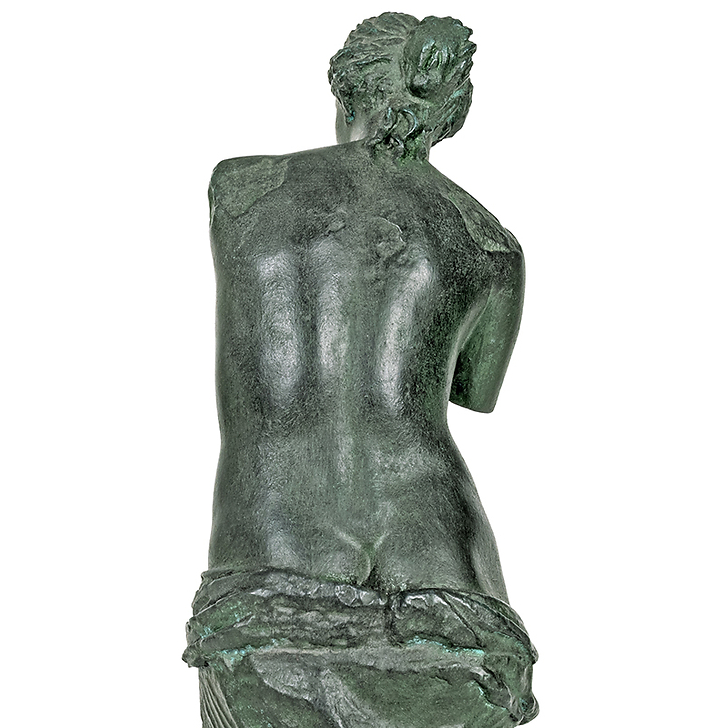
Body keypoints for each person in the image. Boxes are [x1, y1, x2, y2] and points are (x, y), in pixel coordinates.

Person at [185, 13, 537, 728]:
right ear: (450, 113)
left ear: (345, 89)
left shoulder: (243, 187)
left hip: (274, 548)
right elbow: (471, 393)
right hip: (443, 566)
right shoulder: (492, 246)